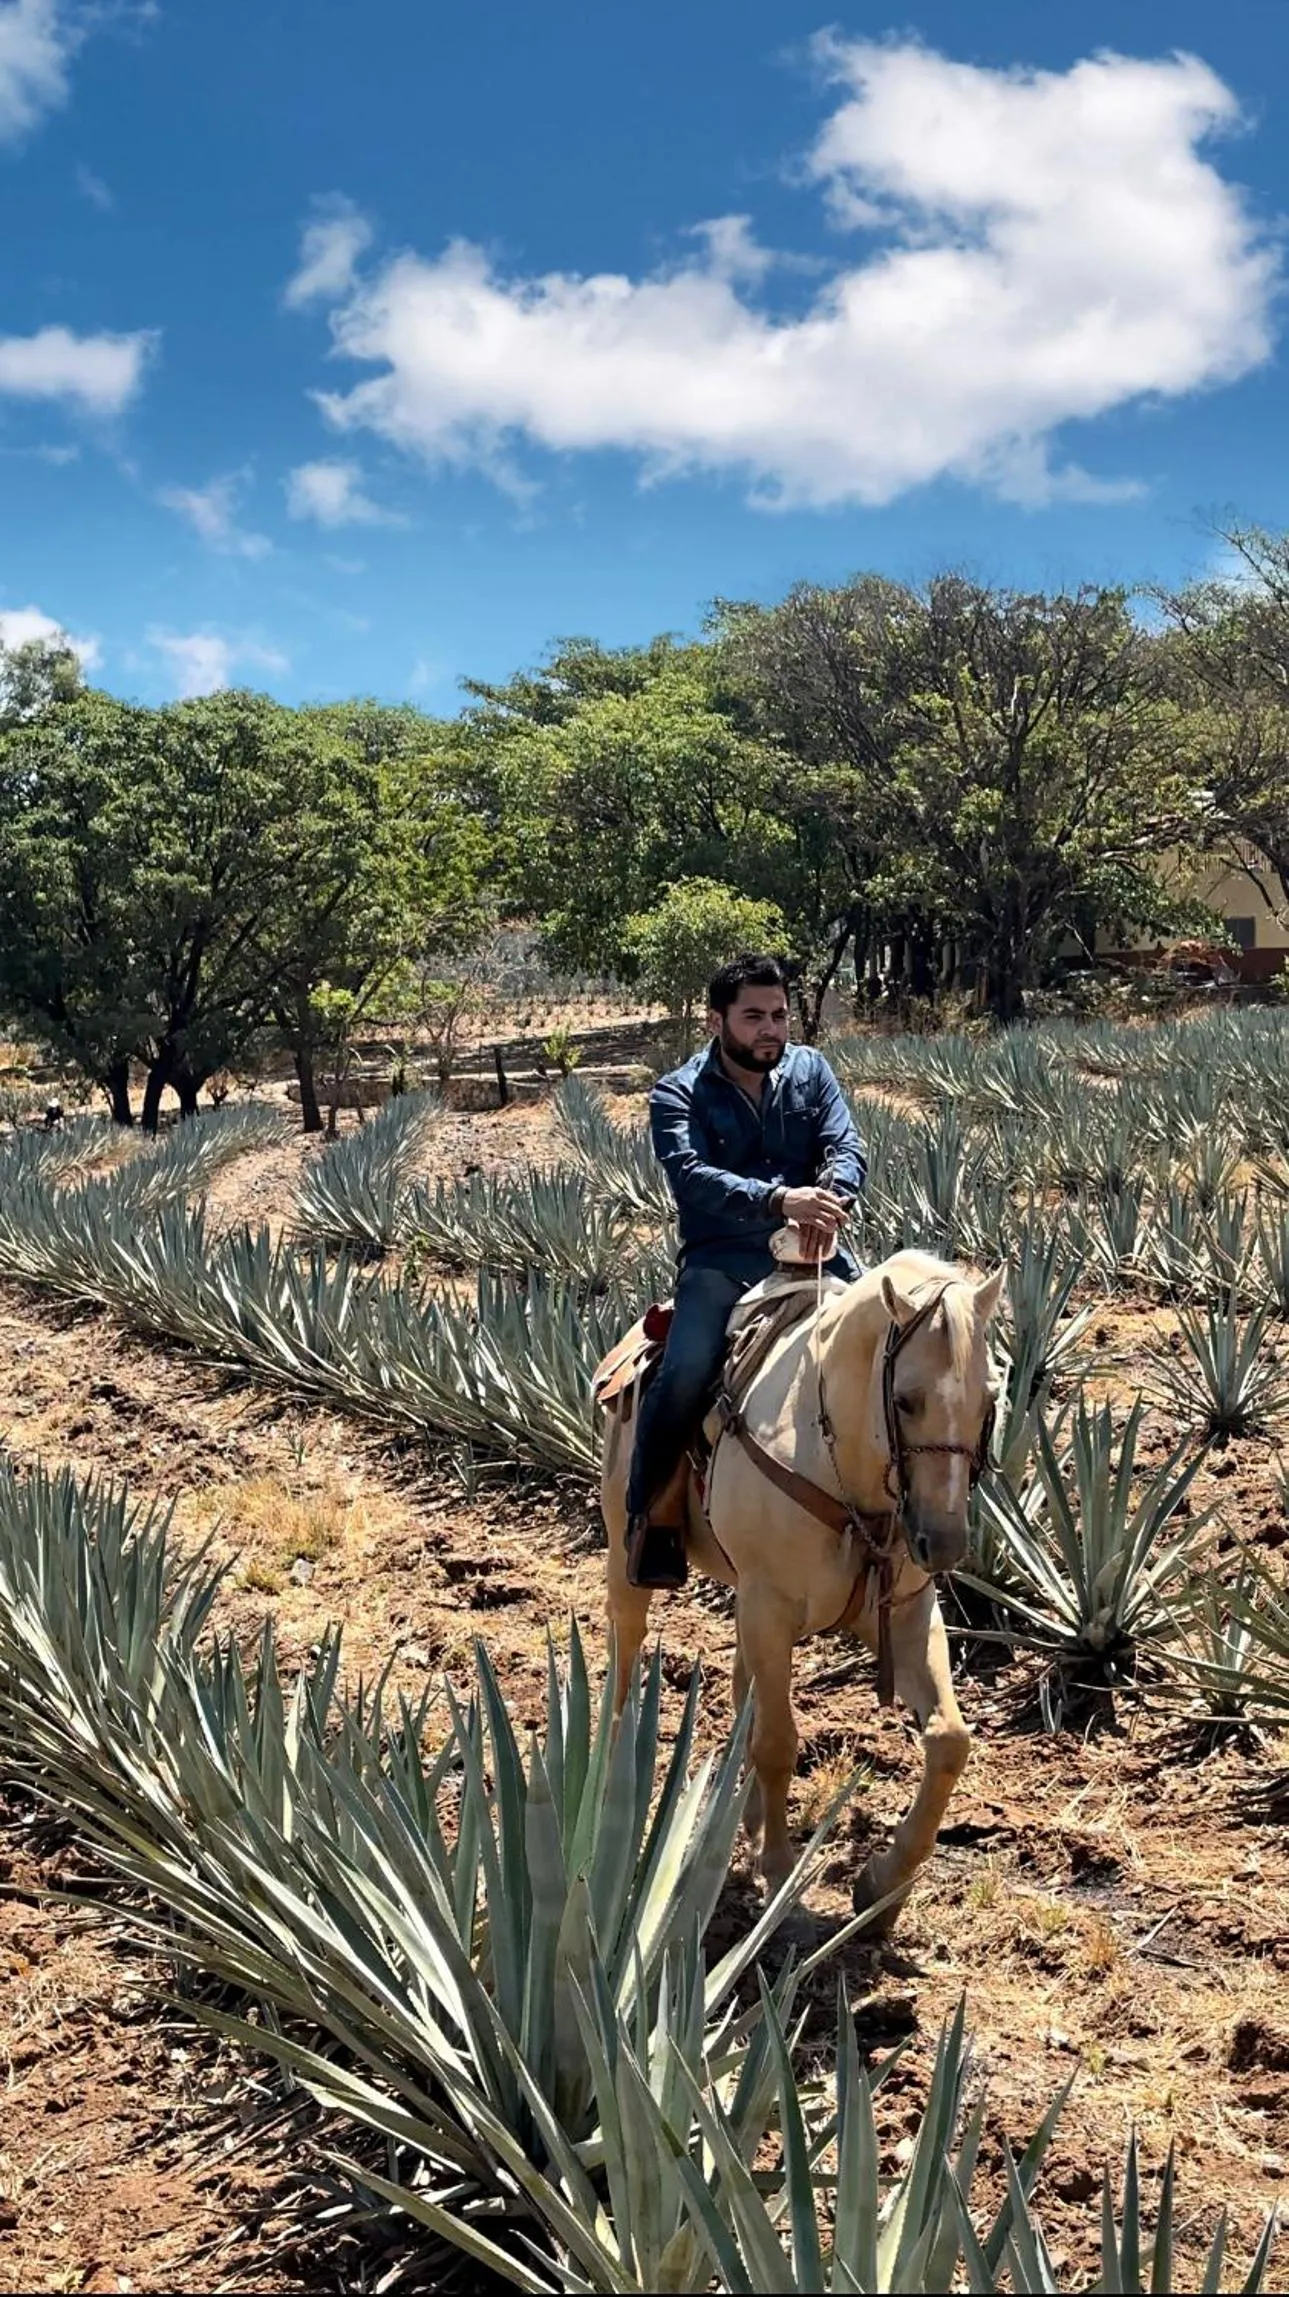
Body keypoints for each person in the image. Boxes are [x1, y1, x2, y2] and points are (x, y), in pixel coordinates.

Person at [625, 951, 866, 1590]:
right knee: (682, 1374)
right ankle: (652, 1520)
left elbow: (846, 1145)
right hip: (722, 1260)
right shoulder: (678, 1092)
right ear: (717, 1019)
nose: (770, 1029)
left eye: (779, 1015)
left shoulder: (811, 1072)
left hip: (818, 1251)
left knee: (895, 1345)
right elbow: (691, 1176)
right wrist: (780, 1200)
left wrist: (832, 1198)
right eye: (754, 1016)